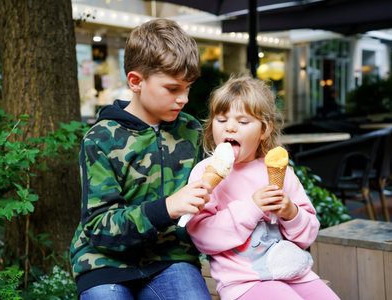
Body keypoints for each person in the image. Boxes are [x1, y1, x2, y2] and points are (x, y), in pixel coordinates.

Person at [70, 18, 212, 300]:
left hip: (171, 260)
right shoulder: (100, 139)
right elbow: (99, 227)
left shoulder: (192, 130)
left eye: (188, 87)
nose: (183, 98)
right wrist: (167, 208)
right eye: (173, 89)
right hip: (104, 263)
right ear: (136, 81)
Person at [186, 76, 340, 300]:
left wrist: (291, 213)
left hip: (295, 273)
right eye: (221, 119)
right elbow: (203, 237)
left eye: (243, 121)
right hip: (244, 281)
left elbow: (307, 236)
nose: (230, 127)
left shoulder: (279, 170)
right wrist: (251, 207)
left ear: (264, 130)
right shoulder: (205, 173)